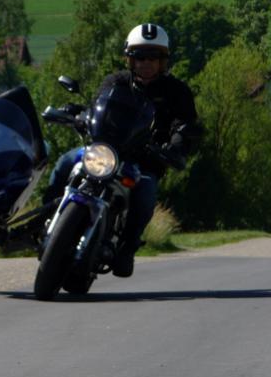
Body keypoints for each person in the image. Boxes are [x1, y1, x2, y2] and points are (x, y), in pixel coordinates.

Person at [42, 23, 200, 277]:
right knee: (64, 163)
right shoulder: (115, 82)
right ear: (130, 59)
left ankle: (127, 247)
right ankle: (47, 217)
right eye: (140, 57)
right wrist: (78, 114)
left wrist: (176, 145)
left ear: (163, 61)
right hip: (103, 152)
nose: (146, 63)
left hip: (144, 160)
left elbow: (186, 124)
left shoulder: (177, 91)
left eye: (153, 57)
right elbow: (98, 107)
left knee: (146, 192)